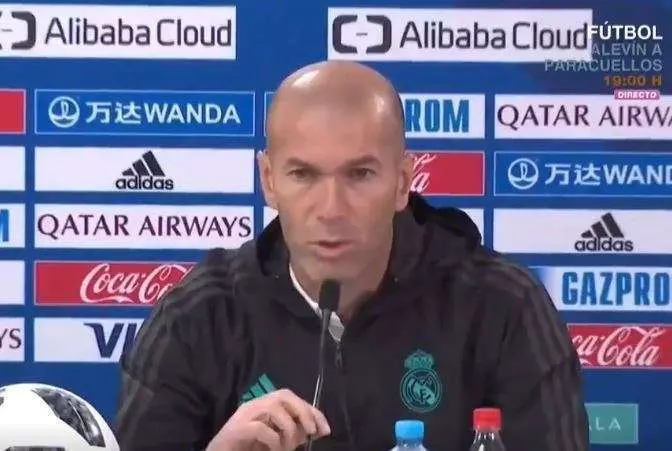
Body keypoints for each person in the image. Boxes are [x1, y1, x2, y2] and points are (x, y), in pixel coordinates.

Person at [114, 61, 590, 451]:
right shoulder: (199, 315)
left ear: (402, 182)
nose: (332, 209)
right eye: (303, 175)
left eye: (360, 174)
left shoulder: (502, 306)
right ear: (269, 181)